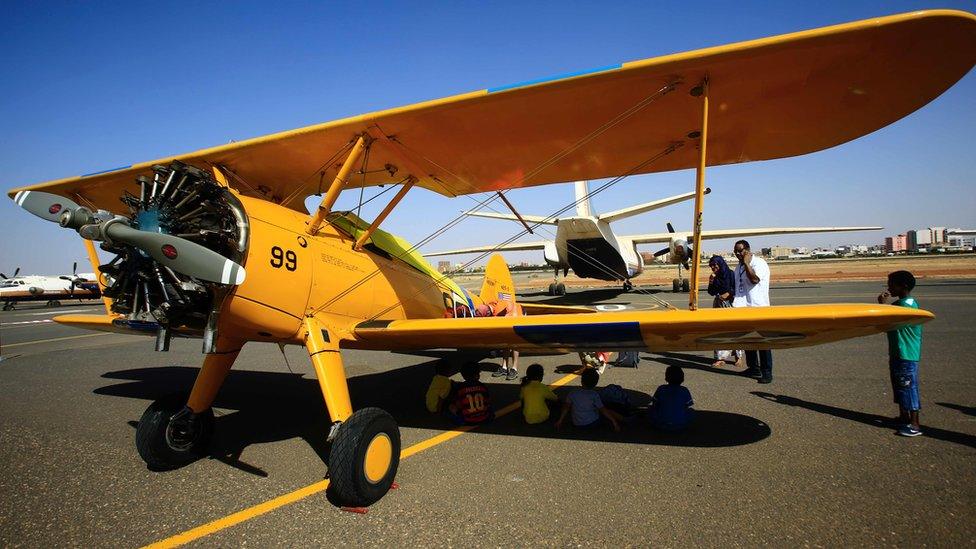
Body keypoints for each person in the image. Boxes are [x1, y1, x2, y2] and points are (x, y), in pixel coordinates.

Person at [878, 270, 923, 437]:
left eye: (892, 284)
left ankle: (915, 424)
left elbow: (887, 320)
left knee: (908, 387)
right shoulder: (900, 304)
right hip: (898, 352)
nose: (889, 287)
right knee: (899, 386)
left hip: (906, 354)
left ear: (903, 286)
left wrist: (883, 305)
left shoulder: (907, 306)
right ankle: (904, 417)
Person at [732, 240, 773, 383]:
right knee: (748, 339)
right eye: (736, 251)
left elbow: (754, 279)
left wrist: (747, 263)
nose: (738, 254)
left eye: (740, 251)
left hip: (758, 307)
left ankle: (766, 371)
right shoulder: (738, 267)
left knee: (762, 341)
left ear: (748, 250)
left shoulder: (759, 263)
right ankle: (753, 368)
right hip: (743, 308)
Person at [555, 369, 622, 431]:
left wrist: (560, 420)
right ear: (595, 384)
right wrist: (614, 422)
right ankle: (622, 420)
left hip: (576, 424)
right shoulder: (594, 395)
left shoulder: (573, 393)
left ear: (581, 381)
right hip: (592, 423)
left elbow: (566, 407)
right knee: (606, 410)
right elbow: (603, 410)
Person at [707, 255, 739, 367]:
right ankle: (720, 358)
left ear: (720, 264)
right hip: (718, 304)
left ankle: (738, 356)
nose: (713, 267)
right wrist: (711, 281)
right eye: (711, 266)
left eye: (714, 265)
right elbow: (711, 292)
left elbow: (737, 288)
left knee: (733, 329)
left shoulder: (730, 274)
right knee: (718, 330)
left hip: (730, 304)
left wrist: (729, 293)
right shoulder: (715, 277)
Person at [648, 365, 695, 432]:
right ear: (682, 378)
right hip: (680, 424)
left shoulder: (661, 388)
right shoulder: (684, 390)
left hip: (660, 424)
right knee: (691, 411)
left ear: (666, 378)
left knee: (650, 409)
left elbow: (655, 403)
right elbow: (688, 405)